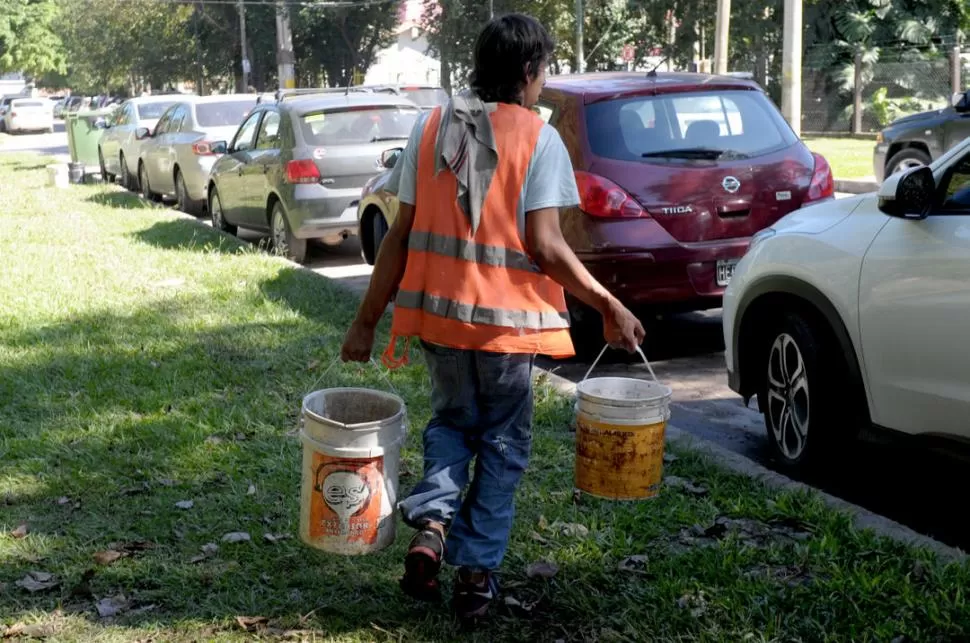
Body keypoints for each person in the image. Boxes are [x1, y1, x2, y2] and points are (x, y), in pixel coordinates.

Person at [341, 13, 644, 622]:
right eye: (543, 71)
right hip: (507, 333)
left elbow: (397, 237)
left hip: (440, 325)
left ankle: (430, 527)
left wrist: (367, 320)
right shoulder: (538, 138)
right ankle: (476, 579)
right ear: (529, 72)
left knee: (451, 426)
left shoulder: (430, 130)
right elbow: (548, 246)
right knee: (502, 447)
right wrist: (608, 303)